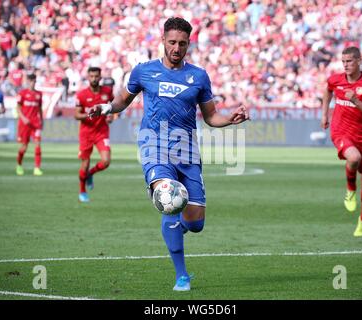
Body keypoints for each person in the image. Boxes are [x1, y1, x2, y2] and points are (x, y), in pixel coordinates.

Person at [88, 17, 249, 291]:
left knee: (196, 222)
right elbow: (122, 101)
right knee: (168, 197)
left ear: (189, 44)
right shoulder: (143, 71)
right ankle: (181, 276)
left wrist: (230, 119)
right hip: (155, 147)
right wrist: (105, 108)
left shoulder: (198, 76)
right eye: (172, 42)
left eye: (182, 43)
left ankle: (175, 229)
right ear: (162, 41)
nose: (177, 48)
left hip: (187, 150)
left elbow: (210, 116)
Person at [321, 46, 362, 237]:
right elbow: (328, 90)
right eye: (343, 61)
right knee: (353, 158)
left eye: (349, 61)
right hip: (340, 130)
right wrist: (325, 115)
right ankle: (349, 189)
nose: (345, 65)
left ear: (358, 61)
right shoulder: (336, 79)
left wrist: (356, 101)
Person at [75, 67, 114, 203]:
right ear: (88, 77)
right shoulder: (81, 95)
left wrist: (111, 117)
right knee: (84, 164)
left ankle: (91, 174)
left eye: (96, 76)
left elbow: (113, 108)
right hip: (86, 133)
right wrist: (89, 114)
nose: (94, 79)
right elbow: (76, 115)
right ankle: (82, 191)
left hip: (101, 132)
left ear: (100, 77)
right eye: (91, 76)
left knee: (106, 161)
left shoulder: (107, 92)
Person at [16, 73, 44, 176]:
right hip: (25, 124)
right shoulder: (22, 93)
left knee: (37, 145)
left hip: (35, 123)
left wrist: (41, 120)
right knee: (24, 146)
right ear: (27, 81)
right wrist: (23, 118)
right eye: (30, 81)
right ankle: (19, 165)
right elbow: (18, 108)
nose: (32, 83)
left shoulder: (39, 94)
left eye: (34, 81)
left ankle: (37, 168)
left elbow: (40, 108)